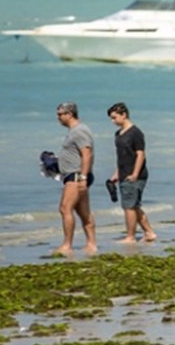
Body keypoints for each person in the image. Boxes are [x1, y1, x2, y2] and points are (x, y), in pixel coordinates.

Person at [107, 102, 156, 243]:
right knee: (134, 206)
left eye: (114, 118)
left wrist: (134, 174)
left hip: (135, 175)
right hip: (123, 173)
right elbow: (122, 156)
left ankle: (130, 236)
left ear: (124, 115)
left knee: (128, 207)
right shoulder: (118, 134)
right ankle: (149, 233)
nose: (113, 121)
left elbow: (140, 155)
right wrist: (116, 173)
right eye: (111, 118)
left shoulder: (136, 133)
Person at [55, 102, 97, 255]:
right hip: (74, 175)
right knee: (83, 212)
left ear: (69, 114)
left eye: (60, 114)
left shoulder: (79, 131)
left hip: (76, 175)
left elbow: (87, 153)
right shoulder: (76, 131)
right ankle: (91, 244)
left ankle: (67, 245)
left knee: (65, 208)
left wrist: (83, 177)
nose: (58, 117)